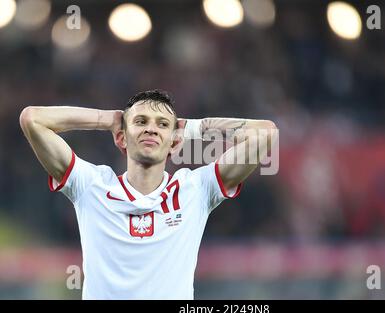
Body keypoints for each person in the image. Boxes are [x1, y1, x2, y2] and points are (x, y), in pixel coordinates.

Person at [19, 89, 277, 299]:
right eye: (140, 122)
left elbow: (265, 133)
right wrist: (108, 120)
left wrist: (192, 128)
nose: (151, 129)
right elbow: (33, 119)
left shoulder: (195, 189)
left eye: (163, 125)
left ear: (175, 142)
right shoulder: (91, 185)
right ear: (121, 138)